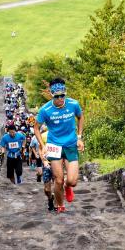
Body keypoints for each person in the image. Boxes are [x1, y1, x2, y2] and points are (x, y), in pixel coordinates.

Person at [34, 77, 84, 213]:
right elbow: (36, 128)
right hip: (54, 145)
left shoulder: (73, 104)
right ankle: (60, 205)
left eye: (63, 95)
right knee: (59, 179)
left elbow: (80, 117)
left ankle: (68, 187)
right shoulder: (45, 110)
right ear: (52, 95)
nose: (60, 99)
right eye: (57, 96)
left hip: (71, 144)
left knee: (72, 181)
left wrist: (79, 137)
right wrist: (42, 146)